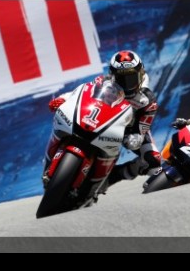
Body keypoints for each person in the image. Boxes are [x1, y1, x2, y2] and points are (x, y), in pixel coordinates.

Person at [43, 50, 161, 187]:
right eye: (121, 79)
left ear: (140, 75)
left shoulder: (147, 99)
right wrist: (63, 98)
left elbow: (144, 125)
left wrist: (137, 136)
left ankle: (110, 179)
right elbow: (81, 93)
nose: (127, 84)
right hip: (99, 120)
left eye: (131, 78)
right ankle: (51, 160)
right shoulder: (102, 82)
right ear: (112, 75)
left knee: (153, 160)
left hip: (128, 130)